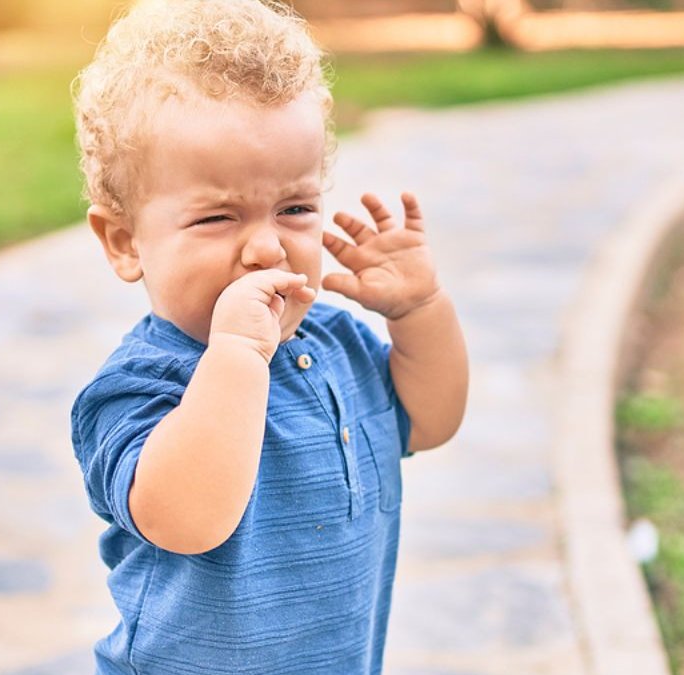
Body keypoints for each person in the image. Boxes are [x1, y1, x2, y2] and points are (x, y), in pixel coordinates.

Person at [70, 0, 469, 672]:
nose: (265, 247)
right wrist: (237, 356)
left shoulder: (337, 344)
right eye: (218, 217)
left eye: (294, 208)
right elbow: (188, 518)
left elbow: (431, 420)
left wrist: (419, 310)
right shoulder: (138, 386)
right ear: (124, 241)